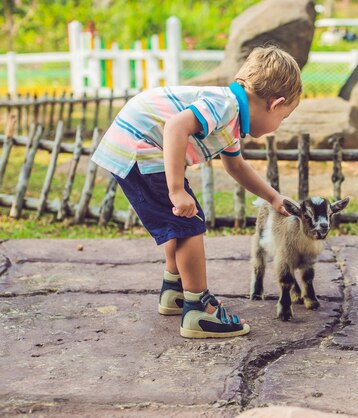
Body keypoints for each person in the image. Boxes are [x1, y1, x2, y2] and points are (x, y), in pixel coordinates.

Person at [91, 46, 301, 339]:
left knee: (177, 222)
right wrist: (176, 190)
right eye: (284, 117)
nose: (278, 126)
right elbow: (176, 127)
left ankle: (174, 289)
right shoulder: (225, 105)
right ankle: (198, 308)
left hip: (132, 146)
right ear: (274, 104)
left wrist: (274, 198)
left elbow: (236, 167)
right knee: (189, 224)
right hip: (139, 148)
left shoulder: (232, 118)